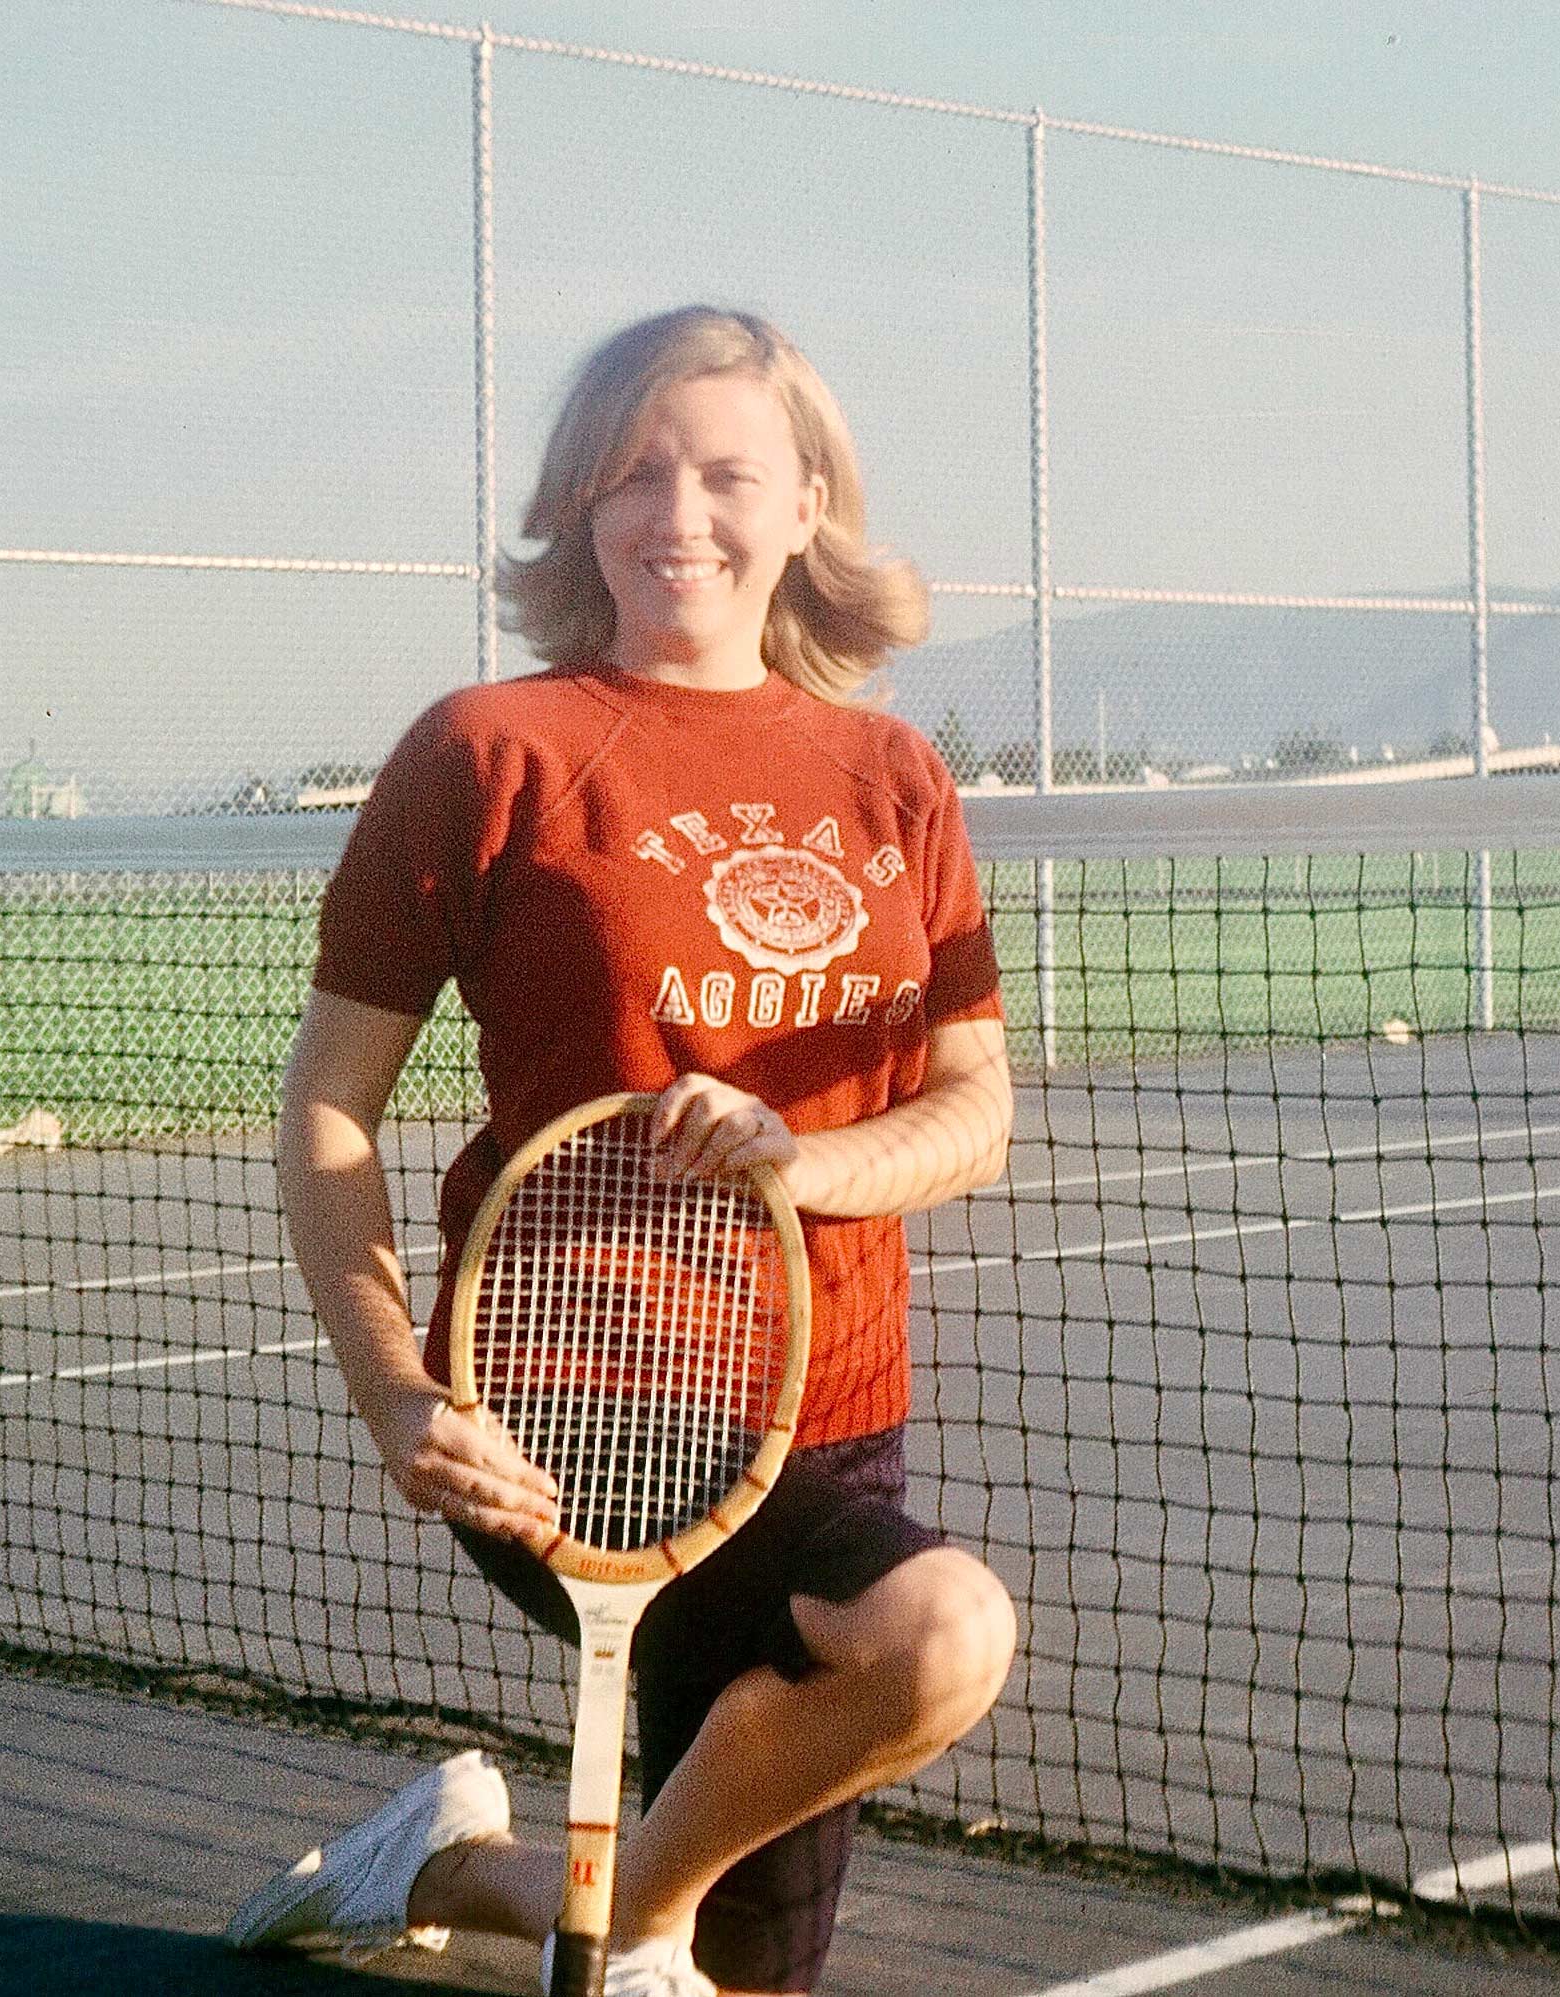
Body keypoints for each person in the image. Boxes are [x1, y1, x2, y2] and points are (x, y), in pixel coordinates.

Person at [226, 305, 1018, 1997]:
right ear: (576, 512)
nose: (681, 514)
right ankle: (616, 1921)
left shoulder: (895, 775)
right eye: (630, 475)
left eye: (728, 472)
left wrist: (794, 1160)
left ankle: (453, 1866)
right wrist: (396, 1394)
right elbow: (328, 1107)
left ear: (807, 502)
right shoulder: (485, 751)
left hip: (828, 1406)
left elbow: (972, 1110)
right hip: (565, 1399)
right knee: (940, 1630)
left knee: (715, 1964)